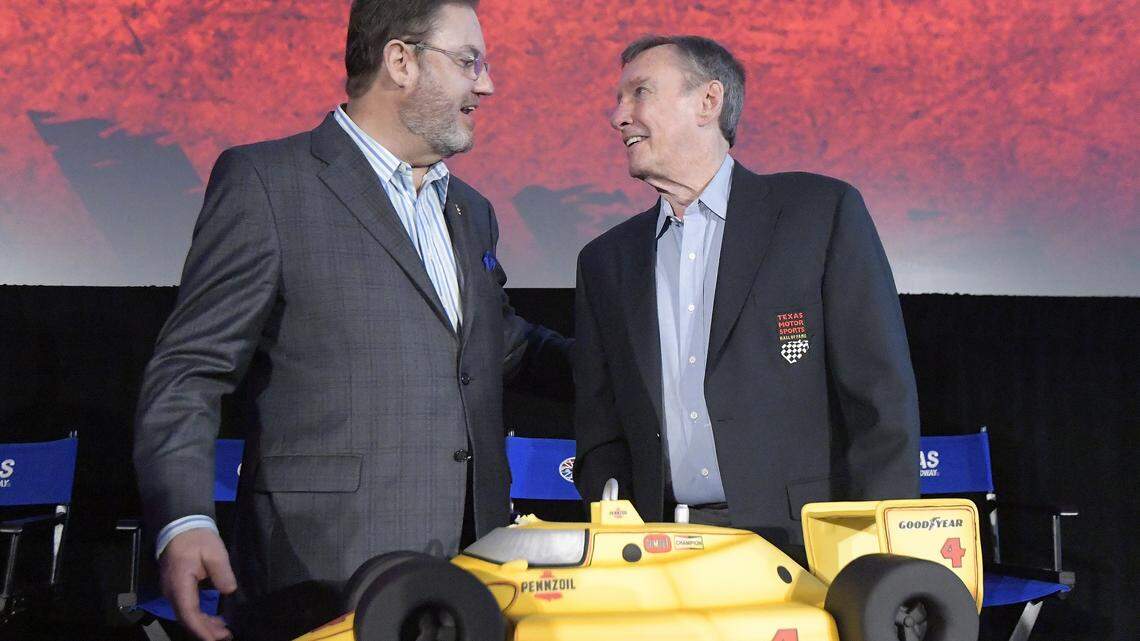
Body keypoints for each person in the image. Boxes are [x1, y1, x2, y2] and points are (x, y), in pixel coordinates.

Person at [133, 1, 568, 639]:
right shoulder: (269, 182)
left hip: (471, 574)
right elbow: (189, 371)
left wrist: (637, 365)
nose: (487, 84)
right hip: (321, 572)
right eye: (469, 61)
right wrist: (185, 519)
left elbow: (498, 349)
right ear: (400, 61)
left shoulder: (470, 209)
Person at [573, 35, 919, 561]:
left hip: (805, 545)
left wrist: (879, 558)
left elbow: (880, 399)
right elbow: (600, 426)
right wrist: (621, 528)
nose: (618, 116)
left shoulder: (818, 214)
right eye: (619, 99)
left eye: (639, 93)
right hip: (657, 553)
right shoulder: (605, 261)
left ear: (708, 103)